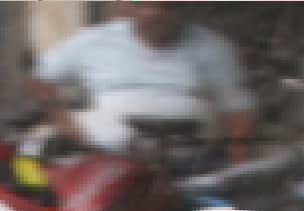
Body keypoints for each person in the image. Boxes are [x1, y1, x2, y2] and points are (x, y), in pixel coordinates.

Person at [28, 1, 258, 161]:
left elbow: (238, 109)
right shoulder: (93, 41)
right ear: (128, 7)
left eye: (166, 6)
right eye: (146, 5)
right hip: (104, 158)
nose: (155, 13)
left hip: (192, 162)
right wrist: (64, 122)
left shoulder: (213, 48)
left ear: (181, 8)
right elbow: (40, 79)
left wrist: (238, 162)